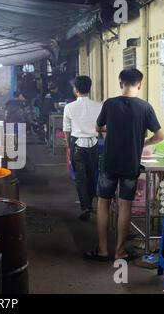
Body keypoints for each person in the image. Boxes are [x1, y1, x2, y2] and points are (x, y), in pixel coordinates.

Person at [86, 69, 164, 262]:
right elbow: (160, 135)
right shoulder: (145, 107)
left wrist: (110, 129)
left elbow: (98, 128)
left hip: (110, 162)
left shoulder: (110, 104)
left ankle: (103, 249)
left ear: (120, 83)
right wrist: (143, 142)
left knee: (103, 203)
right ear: (140, 84)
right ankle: (120, 251)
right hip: (130, 164)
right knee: (125, 205)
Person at [63, 76, 102, 222]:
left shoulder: (69, 107)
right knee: (92, 174)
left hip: (77, 144)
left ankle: (86, 207)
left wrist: (68, 146)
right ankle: (90, 203)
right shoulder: (98, 106)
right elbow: (102, 127)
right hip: (94, 144)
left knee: (80, 177)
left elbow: (67, 130)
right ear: (89, 88)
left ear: (76, 89)